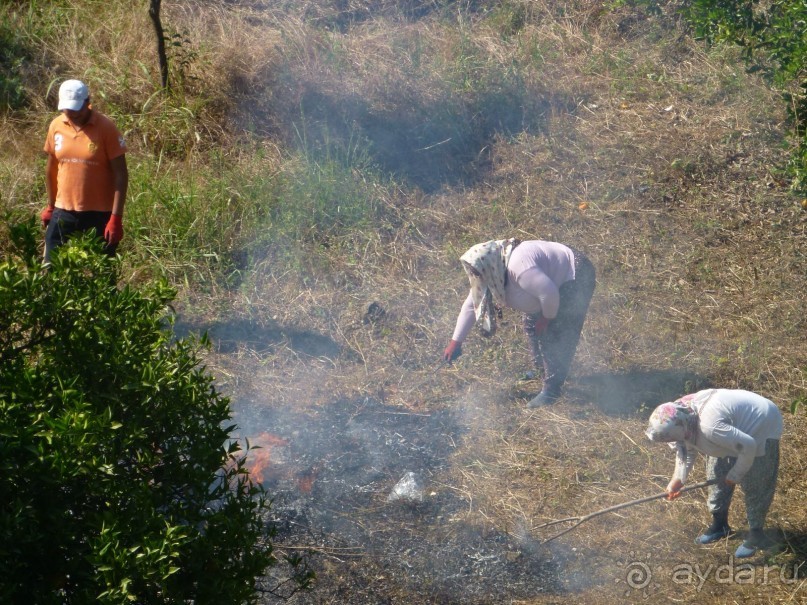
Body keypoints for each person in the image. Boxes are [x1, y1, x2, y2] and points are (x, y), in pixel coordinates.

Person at [442, 239, 596, 407]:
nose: (475, 278)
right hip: (549, 285)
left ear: (488, 265)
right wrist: (455, 342)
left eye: (477, 273)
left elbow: (549, 294)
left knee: (555, 334)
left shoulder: (519, 267)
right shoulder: (494, 271)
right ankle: (542, 370)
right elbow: (472, 304)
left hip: (574, 274)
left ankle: (552, 390)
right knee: (531, 324)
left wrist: (546, 319)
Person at [645, 389, 783, 558]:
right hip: (730, 428)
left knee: (757, 481)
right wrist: (678, 479)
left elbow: (749, 447)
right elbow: (685, 448)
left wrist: (735, 475)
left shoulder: (710, 427)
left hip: (761, 424)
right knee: (716, 473)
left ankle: (756, 535)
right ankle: (720, 525)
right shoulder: (677, 415)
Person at [40, 79, 128, 263]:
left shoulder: (106, 128)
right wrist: (50, 206)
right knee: (50, 268)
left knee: (103, 274)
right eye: (67, 109)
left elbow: (121, 175)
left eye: (76, 109)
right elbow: (52, 169)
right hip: (63, 210)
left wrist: (116, 218)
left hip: (99, 214)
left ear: (88, 102)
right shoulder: (56, 126)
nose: (71, 113)